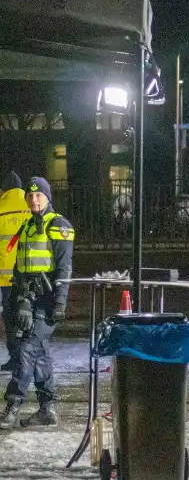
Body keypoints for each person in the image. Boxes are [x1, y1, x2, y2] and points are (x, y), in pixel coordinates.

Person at [0, 177, 73, 429]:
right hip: (28, 299)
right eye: (30, 196)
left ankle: (13, 404)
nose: (33, 199)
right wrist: (19, 300)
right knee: (38, 351)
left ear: (48, 197)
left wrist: (60, 304)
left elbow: (64, 268)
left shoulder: (59, 225)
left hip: (48, 299)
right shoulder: (27, 227)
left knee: (25, 350)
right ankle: (47, 408)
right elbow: (20, 268)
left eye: (38, 195)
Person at [0, 172, 30, 371]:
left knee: (10, 318)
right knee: (28, 316)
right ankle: (27, 358)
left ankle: (14, 358)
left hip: (6, 277)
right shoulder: (32, 206)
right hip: (30, 275)